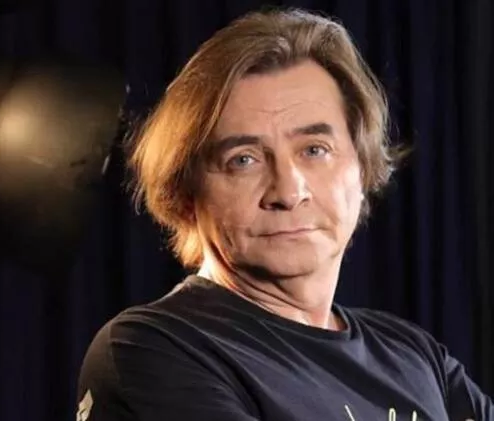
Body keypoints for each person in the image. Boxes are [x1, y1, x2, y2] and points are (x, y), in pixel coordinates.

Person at [75, 7, 493, 421]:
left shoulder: (416, 356)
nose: (289, 192)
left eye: (315, 150)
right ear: (186, 192)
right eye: (244, 159)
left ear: (362, 169)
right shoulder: (153, 349)